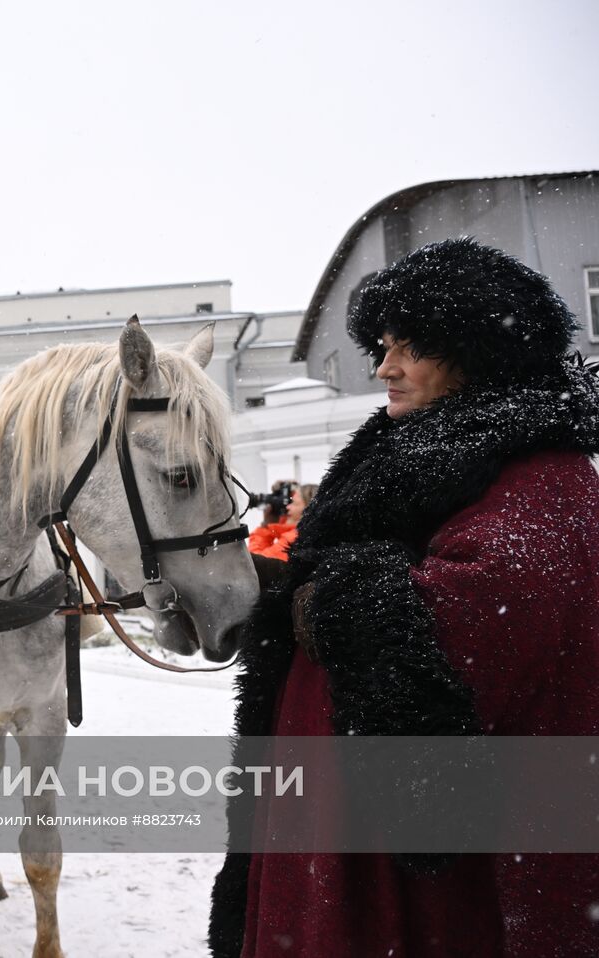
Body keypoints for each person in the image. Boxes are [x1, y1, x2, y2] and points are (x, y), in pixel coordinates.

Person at [210, 238, 599, 956]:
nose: (384, 367)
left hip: (429, 850)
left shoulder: (542, 469)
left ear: (478, 350)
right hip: (347, 819)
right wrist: (280, 586)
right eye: (382, 346)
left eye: (409, 346)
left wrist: (332, 597)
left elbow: (483, 615)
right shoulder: (431, 447)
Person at [247, 483, 317, 562]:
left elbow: (254, 565)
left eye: (293, 503)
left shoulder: (294, 539)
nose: (287, 507)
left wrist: (264, 527)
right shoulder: (312, 535)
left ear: (308, 509)